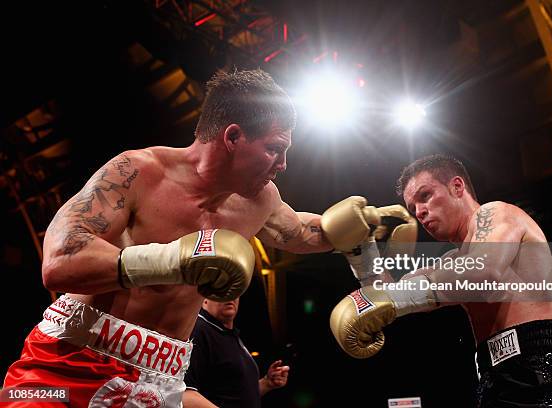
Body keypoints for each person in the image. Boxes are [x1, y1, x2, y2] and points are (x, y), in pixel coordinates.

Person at [2, 69, 331, 407]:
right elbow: (59, 261)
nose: (283, 164)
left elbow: (302, 233)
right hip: (73, 360)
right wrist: (173, 261)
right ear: (232, 137)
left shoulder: (260, 201)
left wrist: (367, 224)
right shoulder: (138, 172)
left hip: (163, 377)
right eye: (275, 149)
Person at [326, 154, 552, 407]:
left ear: (457, 186)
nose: (419, 211)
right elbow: (386, 295)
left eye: (425, 196)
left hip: (539, 365)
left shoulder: (496, 214)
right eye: (412, 207)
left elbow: (484, 271)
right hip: (494, 376)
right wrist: (362, 251)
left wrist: (394, 297)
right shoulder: (453, 262)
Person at [182, 297, 289, 408]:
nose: (230, 295)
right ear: (205, 299)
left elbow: (236, 394)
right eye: (223, 288)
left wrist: (266, 383)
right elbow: (183, 394)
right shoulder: (198, 330)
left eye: (236, 290)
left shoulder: (228, 334)